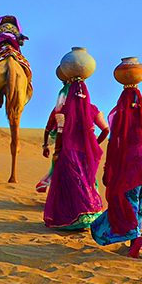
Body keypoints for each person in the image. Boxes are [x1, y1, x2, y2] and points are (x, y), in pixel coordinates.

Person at [91, 86, 142, 258]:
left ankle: (135, 238)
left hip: (131, 170)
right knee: (136, 206)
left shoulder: (120, 118)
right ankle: (133, 242)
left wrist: (108, 170)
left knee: (129, 204)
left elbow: (114, 145)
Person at [43, 80, 109, 230]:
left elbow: (59, 133)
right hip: (86, 156)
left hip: (68, 154)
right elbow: (106, 130)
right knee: (86, 184)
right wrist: (94, 145)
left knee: (68, 186)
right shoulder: (92, 110)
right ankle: (88, 216)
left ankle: (71, 219)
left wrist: (56, 152)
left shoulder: (62, 111)